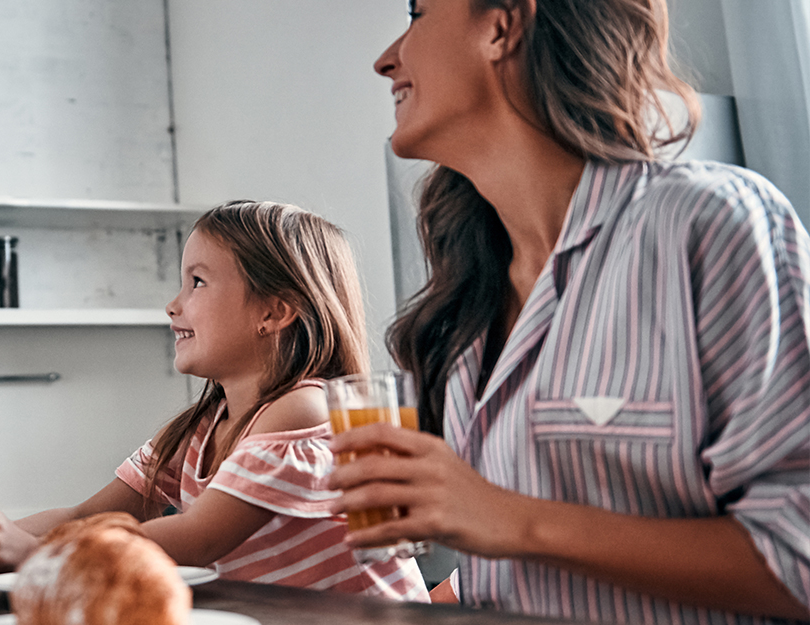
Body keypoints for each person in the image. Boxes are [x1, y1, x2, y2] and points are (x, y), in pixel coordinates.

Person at [326, 0, 810, 619]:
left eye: (417, 15)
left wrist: (508, 518)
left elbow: (796, 555)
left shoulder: (708, 224)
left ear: (502, 25)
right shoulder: (472, 292)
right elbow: (507, 575)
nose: (385, 59)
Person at [0, 201, 429, 600]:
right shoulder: (203, 427)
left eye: (198, 282)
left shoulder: (304, 408)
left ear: (274, 311)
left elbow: (197, 539)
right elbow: (80, 517)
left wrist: (37, 554)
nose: (173, 304)